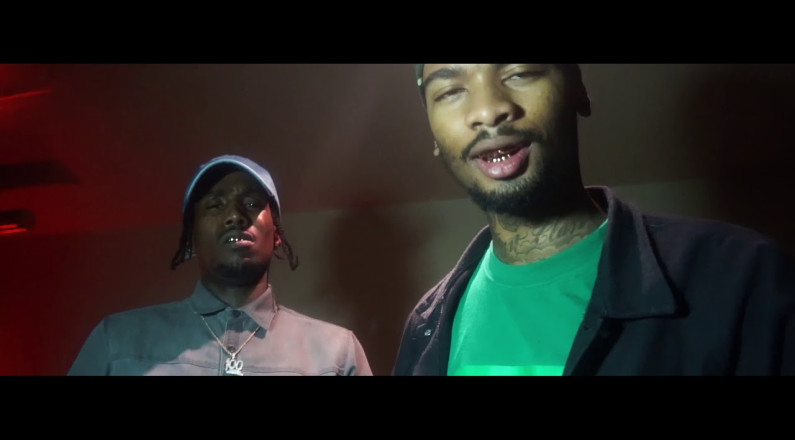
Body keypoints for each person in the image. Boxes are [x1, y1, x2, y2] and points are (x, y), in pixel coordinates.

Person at [392, 64, 795, 376]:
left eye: (519, 72)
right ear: (432, 132)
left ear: (578, 89)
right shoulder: (424, 328)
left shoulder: (740, 275)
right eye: (450, 91)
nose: (487, 110)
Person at [69, 154, 372, 376]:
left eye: (252, 203)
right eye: (215, 204)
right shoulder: (116, 341)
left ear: (277, 234)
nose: (235, 215)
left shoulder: (337, 353)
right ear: (190, 240)